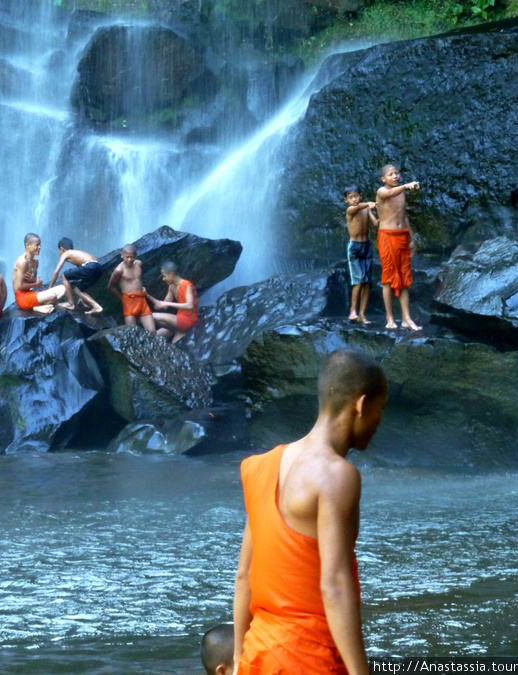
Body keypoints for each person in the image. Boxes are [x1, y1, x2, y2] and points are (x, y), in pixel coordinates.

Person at [233, 349, 388, 675]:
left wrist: (237, 658)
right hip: (310, 657)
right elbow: (334, 585)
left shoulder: (261, 466)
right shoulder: (337, 475)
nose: (379, 422)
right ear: (360, 405)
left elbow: (244, 574)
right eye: (380, 409)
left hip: (258, 654)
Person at [376, 164, 422, 331]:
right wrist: (406, 186)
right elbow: (389, 193)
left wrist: (411, 238)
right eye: (390, 174)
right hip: (387, 237)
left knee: (404, 278)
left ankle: (406, 318)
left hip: (402, 236)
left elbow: (403, 215)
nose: (395, 176)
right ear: (383, 178)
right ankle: (389, 318)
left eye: (397, 173)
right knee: (388, 279)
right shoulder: (382, 191)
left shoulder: (401, 192)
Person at [343, 187, 378, 325]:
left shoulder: (366, 209)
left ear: (360, 196)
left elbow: (375, 223)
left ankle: (362, 314)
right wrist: (370, 202)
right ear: (346, 200)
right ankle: (353, 310)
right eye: (351, 197)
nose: (354, 199)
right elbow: (359, 207)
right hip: (355, 248)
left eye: (356, 196)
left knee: (367, 282)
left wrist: (385, 217)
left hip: (367, 246)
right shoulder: (350, 210)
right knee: (358, 279)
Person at [107, 243, 156, 333]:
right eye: (127, 257)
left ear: (136, 256)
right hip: (129, 301)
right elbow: (111, 287)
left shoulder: (139, 264)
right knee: (132, 333)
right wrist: (123, 299)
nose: (129, 259)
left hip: (141, 300)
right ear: (122, 256)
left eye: (132, 257)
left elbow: (137, 280)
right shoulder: (119, 270)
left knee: (152, 331)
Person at [12, 233, 66, 315]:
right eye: (37, 245)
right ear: (27, 245)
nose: (40, 247)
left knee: (63, 289)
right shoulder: (22, 262)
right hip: (22, 298)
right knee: (52, 295)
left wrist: (33, 281)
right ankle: (37, 307)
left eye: (40, 245)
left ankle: (40, 306)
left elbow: (32, 281)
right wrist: (36, 284)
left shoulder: (35, 261)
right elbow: (19, 286)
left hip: (30, 294)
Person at [48, 237, 104, 315]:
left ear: (62, 249)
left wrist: (50, 288)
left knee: (64, 275)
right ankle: (94, 305)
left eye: (59, 251)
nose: (59, 253)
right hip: (98, 267)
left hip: (89, 266)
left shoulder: (66, 253)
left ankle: (71, 304)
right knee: (78, 290)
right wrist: (81, 297)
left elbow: (56, 271)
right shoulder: (78, 253)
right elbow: (82, 275)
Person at [146, 261, 198, 343]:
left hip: (189, 320)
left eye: (164, 276)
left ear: (171, 274)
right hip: (179, 318)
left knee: (150, 316)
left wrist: (167, 303)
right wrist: (146, 295)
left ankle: (180, 331)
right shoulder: (171, 287)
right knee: (155, 336)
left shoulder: (187, 285)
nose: (163, 279)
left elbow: (190, 306)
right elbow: (162, 305)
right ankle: (177, 331)